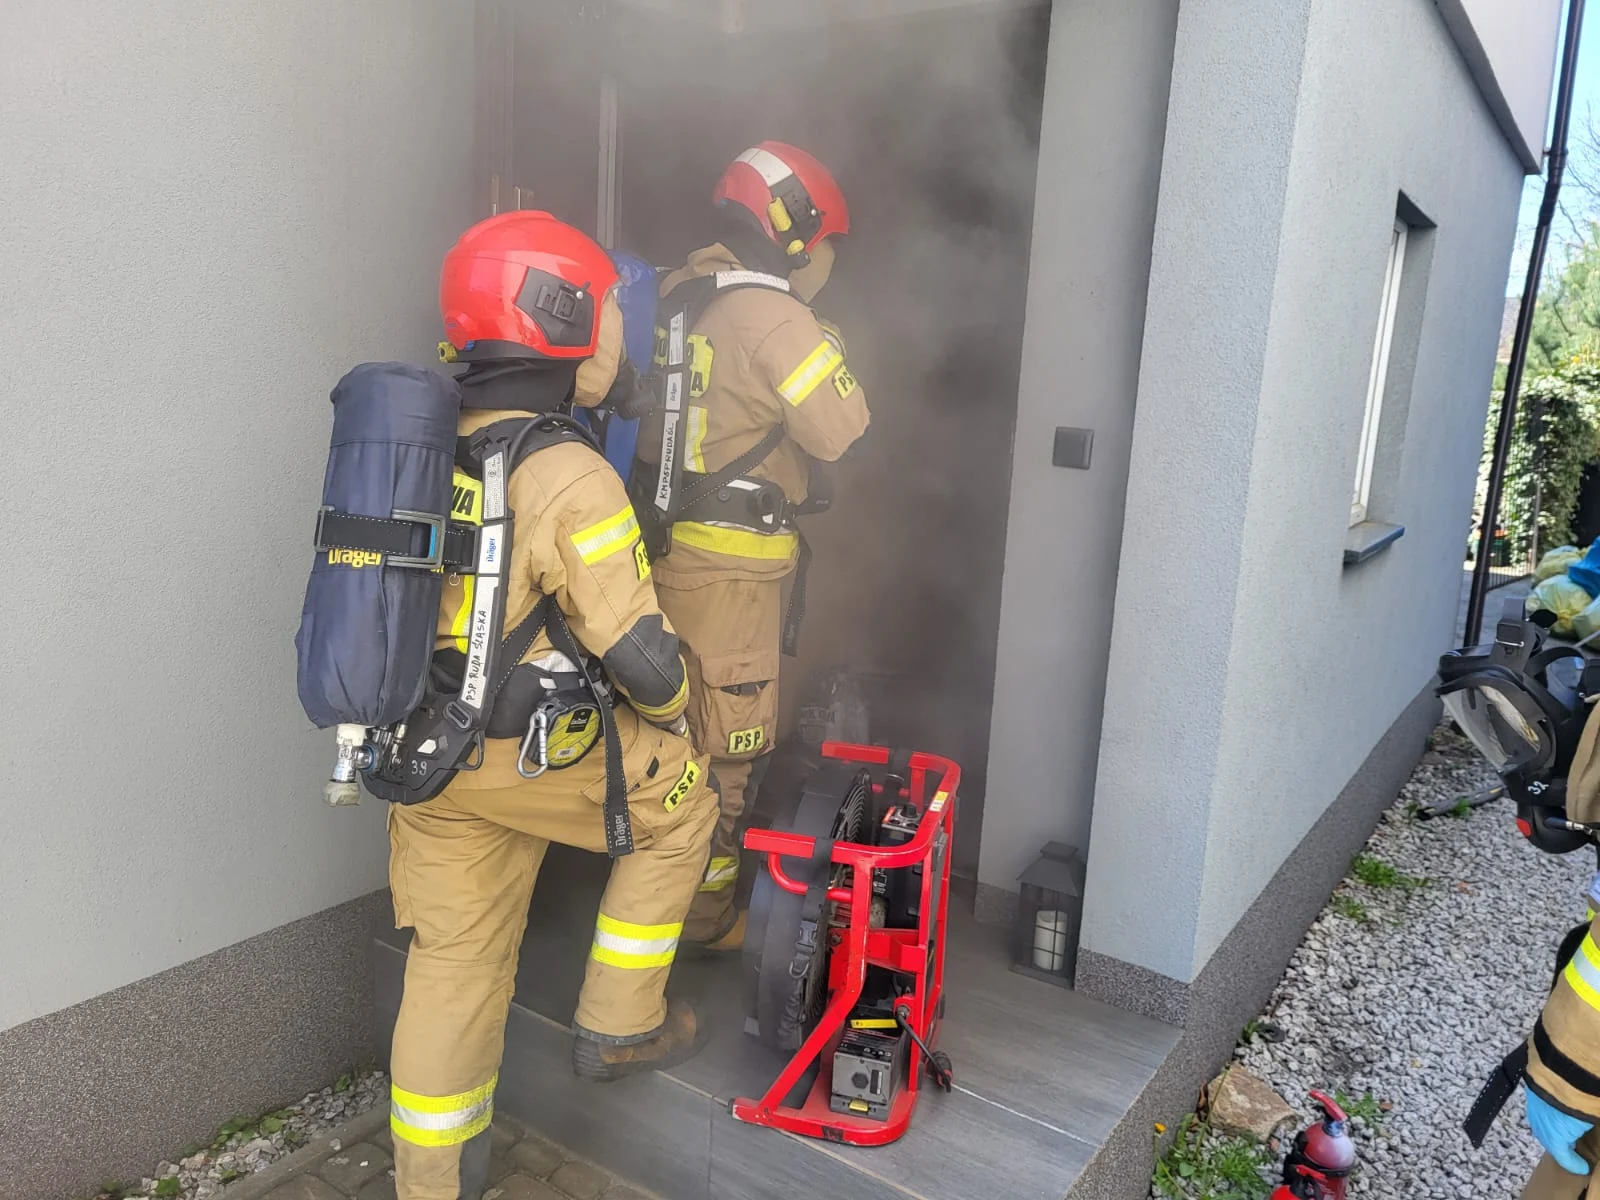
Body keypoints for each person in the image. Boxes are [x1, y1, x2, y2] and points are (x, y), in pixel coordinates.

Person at [388, 211, 717, 1200]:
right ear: (558, 315)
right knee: (686, 811)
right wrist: (690, 709)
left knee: (454, 963)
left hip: (427, 759)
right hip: (530, 757)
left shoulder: (417, 443)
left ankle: (432, 1180)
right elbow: (645, 669)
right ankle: (620, 1022)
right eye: (607, 307)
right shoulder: (569, 471)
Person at [631, 141, 870, 950]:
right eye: (826, 245)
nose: (827, 262)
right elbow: (840, 431)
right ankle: (699, 922)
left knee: (661, 736)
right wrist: (827, 342)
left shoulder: (675, 292)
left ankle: (647, 898)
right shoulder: (776, 315)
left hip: (658, 560)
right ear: (794, 233)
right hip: (731, 577)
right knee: (726, 753)